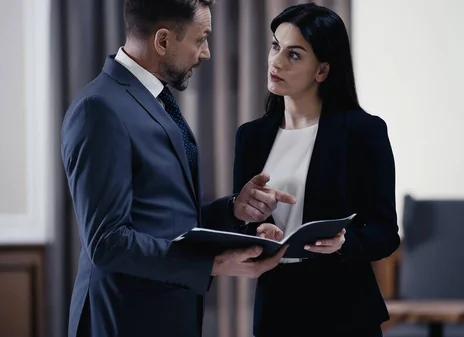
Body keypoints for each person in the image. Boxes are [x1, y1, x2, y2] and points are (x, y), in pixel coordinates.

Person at [60, 1, 295, 336]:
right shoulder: (98, 109)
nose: (207, 53)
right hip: (124, 320)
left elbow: (163, 217)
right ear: (163, 41)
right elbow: (107, 242)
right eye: (201, 39)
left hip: (168, 314)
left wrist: (233, 211)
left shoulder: (154, 98)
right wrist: (212, 263)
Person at [232, 3, 401, 337]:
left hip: (344, 312)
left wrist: (344, 241)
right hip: (276, 311)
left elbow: (385, 232)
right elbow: (242, 220)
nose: (276, 62)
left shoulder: (362, 132)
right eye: (276, 47)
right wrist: (255, 232)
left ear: (322, 71)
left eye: (294, 55)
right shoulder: (251, 137)